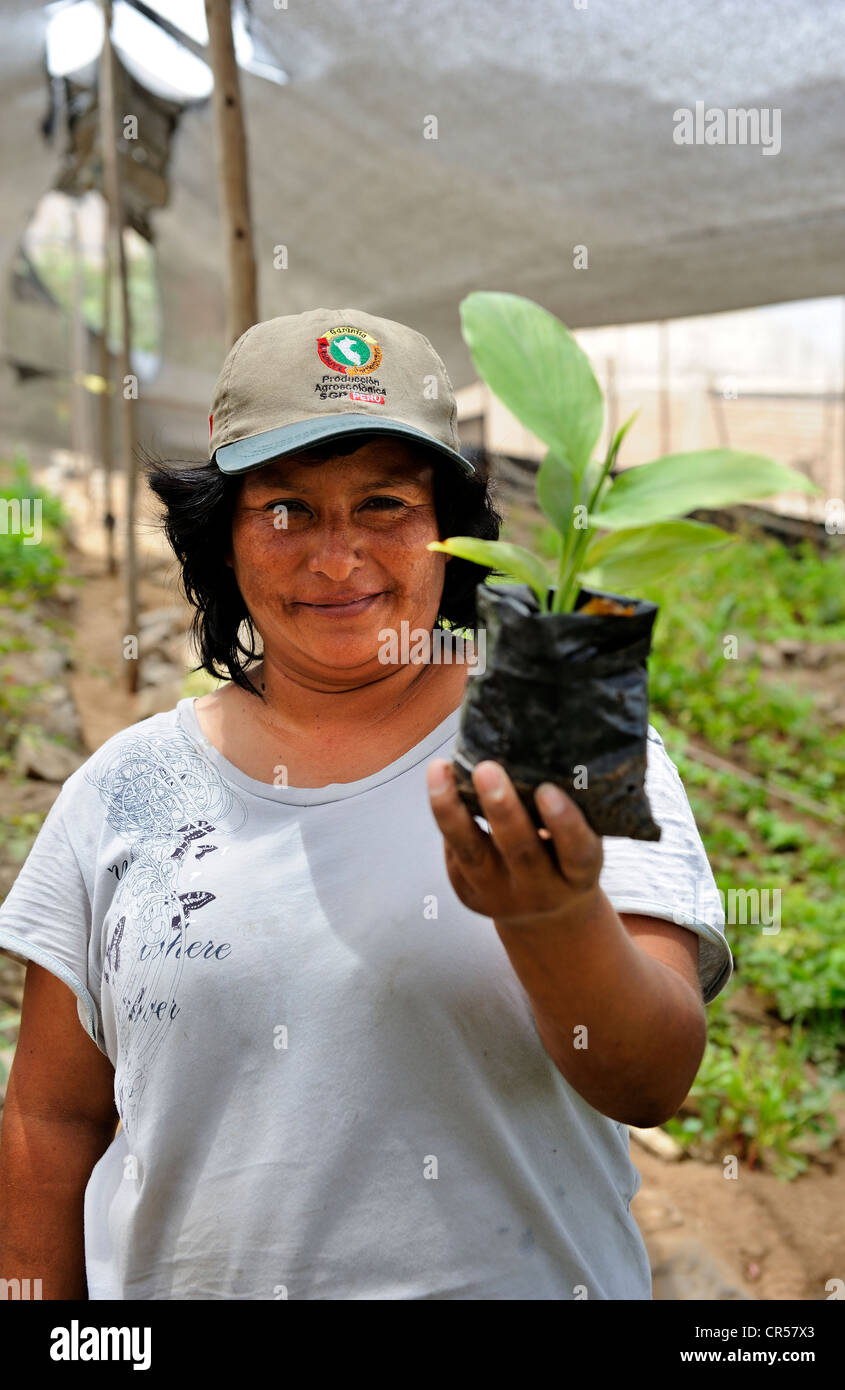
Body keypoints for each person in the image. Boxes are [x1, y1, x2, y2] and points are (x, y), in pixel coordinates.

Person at [0, 307, 733, 1300]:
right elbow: (52, 1122)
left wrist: (552, 918)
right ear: (223, 540)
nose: (337, 558)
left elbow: (650, 1078)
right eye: (287, 509)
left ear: (452, 532)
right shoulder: (128, 789)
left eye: (384, 502)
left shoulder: (555, 729)